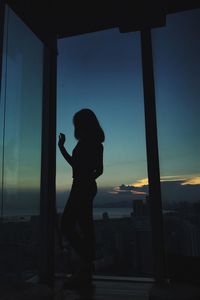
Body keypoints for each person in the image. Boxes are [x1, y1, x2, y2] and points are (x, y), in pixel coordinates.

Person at [58, 108, 104, 289]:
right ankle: (86, 268)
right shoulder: (93, 143)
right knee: (85, 226)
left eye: (77, 124)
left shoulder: (90, 144)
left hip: (81, 187)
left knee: (67, 224)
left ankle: (86, 261)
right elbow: (87, 168)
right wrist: (62, 147)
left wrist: (85, 179)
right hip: (84, 186)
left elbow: (92, 170)